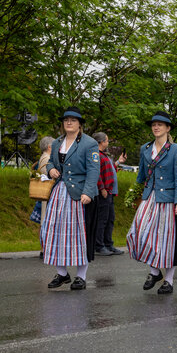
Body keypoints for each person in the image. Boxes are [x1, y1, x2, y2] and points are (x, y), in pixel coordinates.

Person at [127, 111, 177, 294]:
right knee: (138, 232)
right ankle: (155, 272)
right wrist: (133, 194)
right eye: (154, 124)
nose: (156, 127)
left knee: (167, 241)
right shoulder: (145, 148)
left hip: (168, 200)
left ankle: (168, 280)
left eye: (160, 124)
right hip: (149, 197)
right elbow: (141, 176)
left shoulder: (176, 149)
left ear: (168, 128)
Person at [41, 106, 100, 290]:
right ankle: (62, 273)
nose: (69, 122)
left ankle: (81, 276)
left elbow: (93, 171)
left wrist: (88, 193)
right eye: (66, 120)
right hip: (59, 193)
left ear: (80, 124)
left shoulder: (89, 144)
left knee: (79, 236)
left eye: (73, 120)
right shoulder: (58, 142)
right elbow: (50, 161)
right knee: (53, 233)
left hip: (79, 195)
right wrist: (50, 168)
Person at [93, 132, 124, 256]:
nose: (108, 143)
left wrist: (118, 162)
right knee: (102, 219)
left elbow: (110, 170)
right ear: (101, 142)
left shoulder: (104, 155)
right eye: (106, 140)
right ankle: (99, 245)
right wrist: (102, 188)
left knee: (110, 219)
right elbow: (97, 174)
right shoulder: (97, 156)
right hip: (104, 192)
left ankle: (108, 243)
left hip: (110, 191)